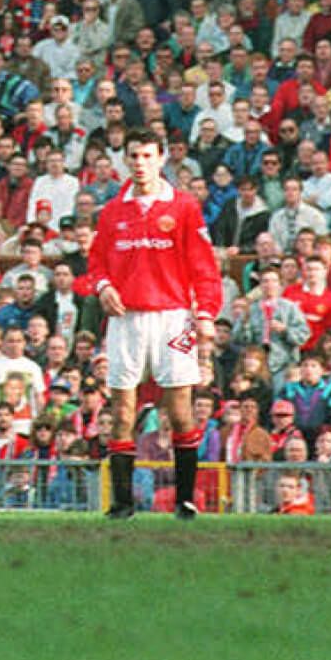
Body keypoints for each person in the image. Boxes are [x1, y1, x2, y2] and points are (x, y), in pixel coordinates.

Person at [83, 128, 222, 521]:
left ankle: (185, 499)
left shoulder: (182, 207)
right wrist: (105, 286)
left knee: (180, 410)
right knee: (123, 410)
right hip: (126, 321)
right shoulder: (112, 211)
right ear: (126, 159)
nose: (140, 163)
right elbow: (95, 266)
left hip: (174, 319)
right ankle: (123, 503)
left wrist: (206, 311)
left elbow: (204, 267)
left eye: (147, 156)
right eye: (134, 156)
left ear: (162, 159)